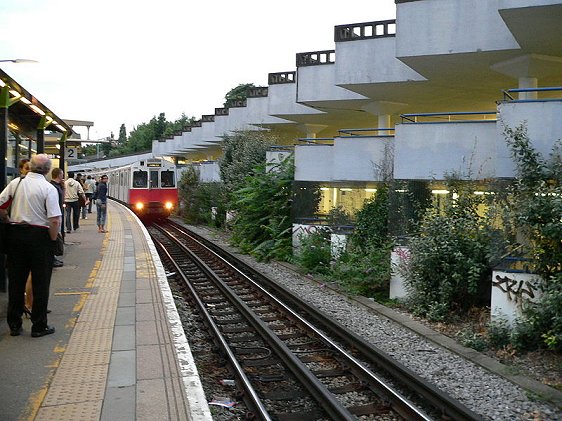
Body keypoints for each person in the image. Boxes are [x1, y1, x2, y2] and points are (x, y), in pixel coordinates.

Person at [0, 154, 61, 337]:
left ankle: (14, 325)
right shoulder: (48, 188)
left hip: (16, 236)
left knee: (16, 282)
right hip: (40, 237)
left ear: (31, 167)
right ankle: (38, 325)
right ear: (48, 170)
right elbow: (54, 220)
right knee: (40, 283)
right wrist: (52, 240)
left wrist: (8, 219)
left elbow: (1, 205)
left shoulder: (16, 184)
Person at [50, 168, 65, 268]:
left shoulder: (58, 186)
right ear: (59, 175)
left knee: (56, 236)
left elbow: (62, 198)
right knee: (54, 237)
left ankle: (53, 257)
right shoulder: (52, 187)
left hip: (58, 214)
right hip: (54, 216)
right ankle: (52, 258)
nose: (63, 176)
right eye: (62, 174)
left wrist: (63, 187)